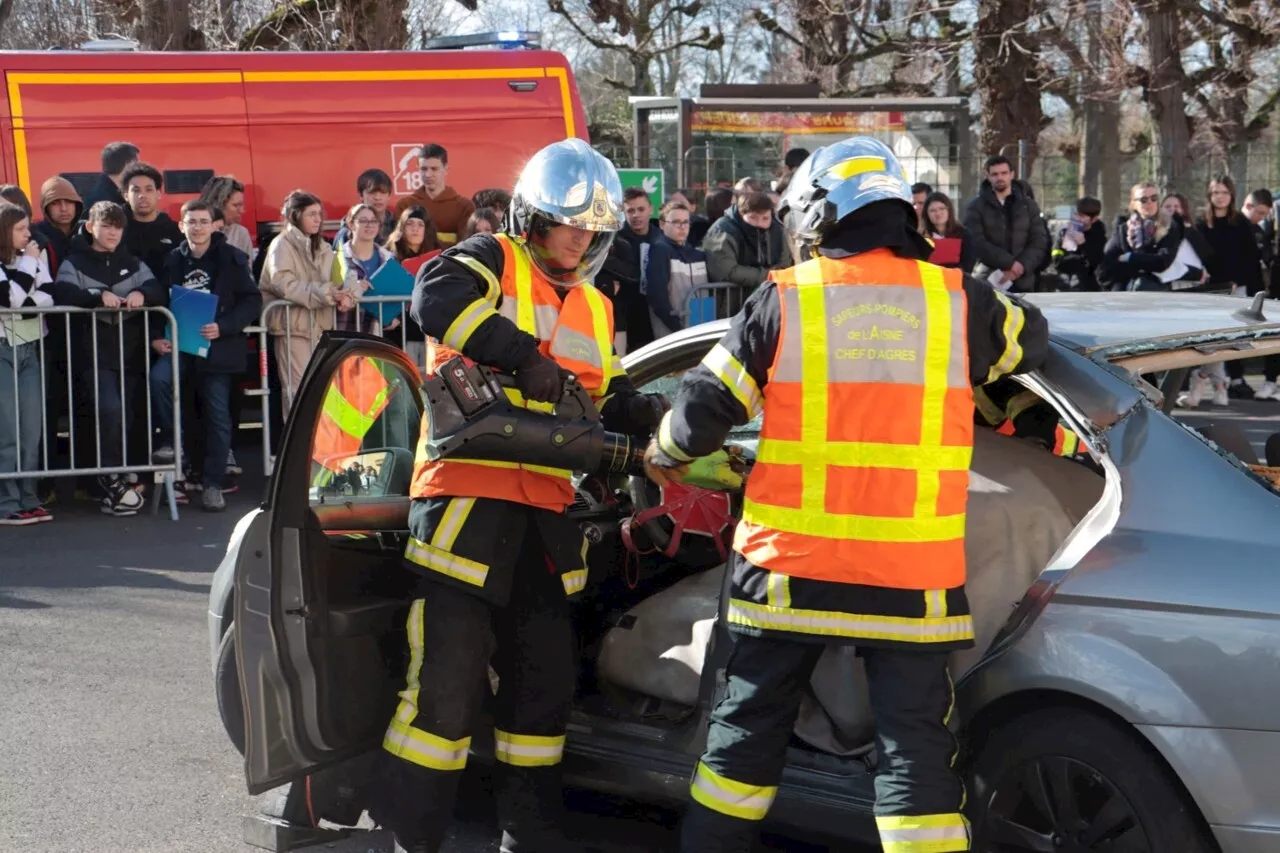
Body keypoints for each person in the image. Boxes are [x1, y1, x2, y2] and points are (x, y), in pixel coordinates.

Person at [642, 136, 1049, 853]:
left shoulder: (785, 297)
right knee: (917, 764)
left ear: (820, 216)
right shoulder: (959, 301)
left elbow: (701, 411)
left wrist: (660, 453)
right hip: (910, 579)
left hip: (787, 571)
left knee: (740, 747)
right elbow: (1031, 340)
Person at [370, 137, 668, 853]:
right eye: (571, 225)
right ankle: (411, 838)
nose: (582, 240)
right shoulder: (489, 259)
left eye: (592, 231)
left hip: (545, 520)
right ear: (533, 218)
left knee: (543, 691)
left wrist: (670, 422)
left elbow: (612, 394)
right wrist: (523, 356)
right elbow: (432, 298)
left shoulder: (596, 306)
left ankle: (527, 838)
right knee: (443, 688)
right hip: (464, 509)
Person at [55, 201, 166, 516]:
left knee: (127, 415)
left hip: (130, 356)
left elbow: (158, 289)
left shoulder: (133, 262)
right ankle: (111, 479)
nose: (113, 232)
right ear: (91, 227)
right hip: (91, 356)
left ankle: (116, 483)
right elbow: (61, 292)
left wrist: (142, 294)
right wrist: (95, 297)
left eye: (117, 226)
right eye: (106, 226)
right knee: (109, 410)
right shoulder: (73, 262)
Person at [150, 200, 261, 511]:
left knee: (217, 417)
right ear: (181, 225)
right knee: (159, 380)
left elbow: (252, 302)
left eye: (203, 221)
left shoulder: (232, 258)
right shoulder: (172, 260)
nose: (197, 227)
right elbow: (158, 301)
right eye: (191, 222)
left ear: (216, 225)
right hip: (180, 346)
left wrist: (223, 326)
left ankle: (213, 483)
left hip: (218, 349)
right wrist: (157, 337)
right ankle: (174, 445)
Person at [259, 190, 358, 412]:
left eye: (319, 214)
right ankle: (301, 446)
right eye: (311, 214)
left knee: (322, 394)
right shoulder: (281, 244)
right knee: (299, 395)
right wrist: (326, 293)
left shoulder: (322, 246)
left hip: (320, 330)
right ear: (295, 215)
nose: (318, 219)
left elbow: (342, 277)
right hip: (292, 330)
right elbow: (283, 283)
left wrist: (349, 294)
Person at [0, 203, 56, 524]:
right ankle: (7, 502)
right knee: (8, 430)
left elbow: (48, 293)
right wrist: (29, 265)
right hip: (2, 349)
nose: (28, 234)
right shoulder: (30, 259)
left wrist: (22, 298)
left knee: (31, 429)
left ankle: (29, 497)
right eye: (20, 228)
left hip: (29, 348)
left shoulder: (33, 258)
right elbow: (9, 300)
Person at [1197, 175, 1262, 400]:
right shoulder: (1202, 222)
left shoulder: (1240, 222)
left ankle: (1232, 378)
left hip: (1236, 287)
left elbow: (1250, 257)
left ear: (1232, 195)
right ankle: (1214, 381)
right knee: (1210, 337)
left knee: (1233, 336)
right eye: (1216, 192)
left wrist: (1236, 280)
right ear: (1209, 195)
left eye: (1224, 192)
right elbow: (1200, 256)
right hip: (1210, 287)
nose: (1220, 197)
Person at [963, 155, 1049, 292]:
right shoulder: (975, 207)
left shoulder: (1028, 205)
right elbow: (976, 241)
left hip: (1023, 281)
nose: (1000, 177)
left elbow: (1039, 240)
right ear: (988, 177)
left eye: (1004, 173)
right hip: (988, 280)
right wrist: (1010, 263)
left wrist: (1020, 267)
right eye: (995, 174)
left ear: (1012, 174)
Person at [1099, 182, 1186, 291]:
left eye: (1154, 198)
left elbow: (1162, 262)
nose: (1149, 203)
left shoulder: (1170, 225)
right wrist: (1144, 264)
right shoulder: (1123, 227)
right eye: (1143, 200)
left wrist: (1130, 257)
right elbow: (1107, 264)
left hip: (1155, 289)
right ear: (1133, 203)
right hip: (1125, 290)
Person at [383, 205, 442, 365]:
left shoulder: (439, 257)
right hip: (398, 336)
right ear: (402, 227)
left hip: (429, 335)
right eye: (410, 224)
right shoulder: (388, 257)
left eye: (420, 224)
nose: (415, 229)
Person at [702, 189, 793, 291]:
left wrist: (775, 275)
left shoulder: (777, 230)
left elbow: (785, 264)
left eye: (765, 218)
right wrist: (770, 275)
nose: (760, 223)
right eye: (753, 217)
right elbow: (726, 271)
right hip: (732, 301)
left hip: (770, 298)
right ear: (741, 214)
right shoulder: (722, 231)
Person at [392, 143, 476, 246]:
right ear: (418, 169)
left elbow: (465, 248)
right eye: (424, 169)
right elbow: (399, 246)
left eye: (434, 169)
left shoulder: (465, 207)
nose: (428, 174)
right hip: (414, 262)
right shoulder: (405, 205)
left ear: (446, 169)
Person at [645, 200, 707, 337]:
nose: (682, 227)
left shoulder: (697, 254)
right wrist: (678, 329)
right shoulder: (660, 250)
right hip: (672, 333)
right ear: (662, 224)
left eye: (686, 222)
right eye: (676, 222)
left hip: (699, 328)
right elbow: (657, 296)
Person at [616, 187, 662, 351]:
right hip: (627, 312)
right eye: (630, 211)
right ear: (623, 212)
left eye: (641, 209)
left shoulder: (661, 237)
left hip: (656, 311)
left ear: (650, 209)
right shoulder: (616, 239)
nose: (636, 215)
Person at [334, 202, 391, 334]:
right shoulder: (338, 258)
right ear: (351, 224)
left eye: (374, 221)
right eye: (363, 221)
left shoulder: (387, 259)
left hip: (376, 333)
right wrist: (355, 288)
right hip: (345, 330)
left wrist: (395, 317)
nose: (370, 225)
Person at [121, 162, 183, 277]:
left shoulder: (176, 232)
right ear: (126, 196)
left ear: (158, 194)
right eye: (136, 190)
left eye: (148, 189)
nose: (142, 195)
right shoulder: (116, 231)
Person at [1052, 196, 1106, 291]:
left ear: (1094, 219)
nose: (1077, 218)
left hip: (1088, 289)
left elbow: (1096, 264)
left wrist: (1083, 244)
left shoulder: (1099, 235)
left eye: (1082, 216)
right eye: (1076, 214)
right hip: (1064, 286)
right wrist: (1081, 260)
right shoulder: (1064, 233)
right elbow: (1058, 262)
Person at [333, 168, 398, 246]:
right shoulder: (346, 233)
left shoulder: (398, 228)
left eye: (383, 192)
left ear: (389, 195)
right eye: (372, 192)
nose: (377, 197)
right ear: (361, 195)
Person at [200, 175, 254, 257]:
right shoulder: (196, 231)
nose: (242, 211)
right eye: (236, 205)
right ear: (217, 204)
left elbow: (247, 268)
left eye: (241, 205)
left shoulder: (241, 233)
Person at [921, 191, 974, 272]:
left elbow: (968, 266)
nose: (938, 214)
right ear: (926, 214)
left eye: (942, 208)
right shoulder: (921, 237)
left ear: (949, 210)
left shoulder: (964, 235)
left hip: (956, 281)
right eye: (932, 211)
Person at [81, 141, 139, 212]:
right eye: (136, 162)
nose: (138, 167)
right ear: (127, 164)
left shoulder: (102, 191)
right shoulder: (101, 201)